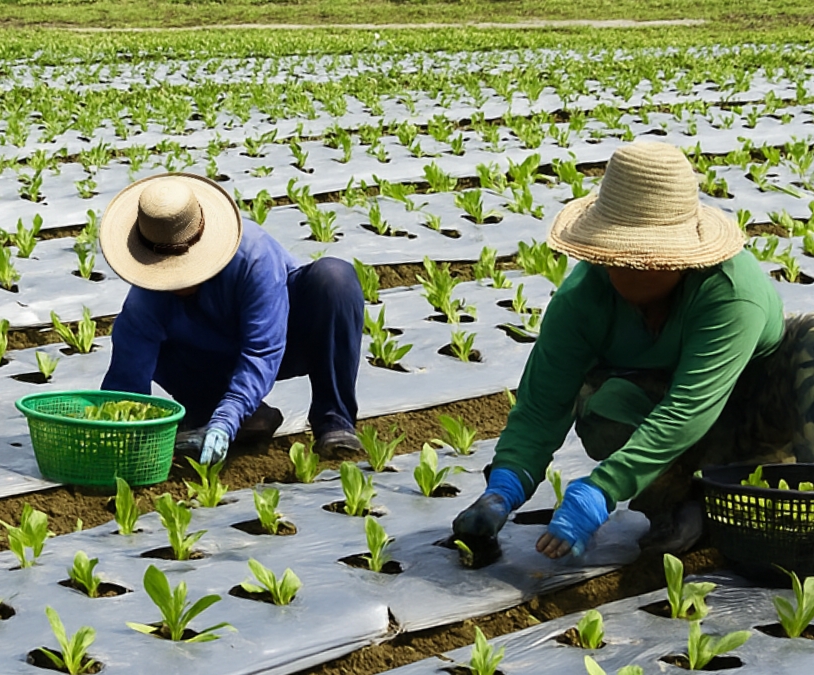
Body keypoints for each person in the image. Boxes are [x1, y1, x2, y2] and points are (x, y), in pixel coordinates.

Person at [452, 141, 814, 559]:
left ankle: (796, 493)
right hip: (676, 426)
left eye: (647, 257)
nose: (631, 264)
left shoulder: (731, 294)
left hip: (756, 412)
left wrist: (602, 488)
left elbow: (688, 408)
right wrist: (504, 486)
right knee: (602, 405)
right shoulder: (582, 300)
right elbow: (541, 406)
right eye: (619, 255)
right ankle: (682, 502)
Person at [99, 173, 365, 464]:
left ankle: (333, 421)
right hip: (210, 361)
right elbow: (127, 376)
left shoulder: (253, 256)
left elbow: (262, 349)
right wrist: (119, 432)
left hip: (283, 341)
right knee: (145, 341)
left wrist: (227, 417)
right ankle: (239, 417)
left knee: (334, 278)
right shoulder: (146, 296)